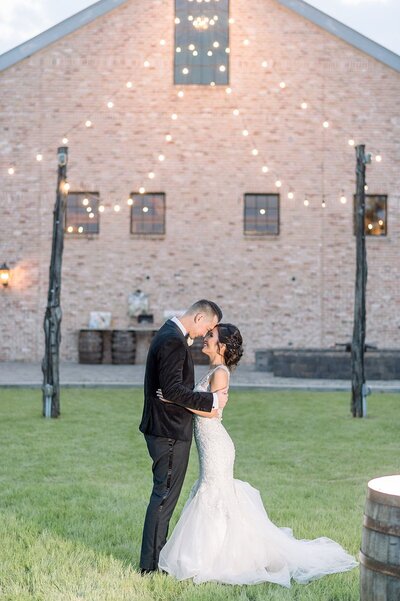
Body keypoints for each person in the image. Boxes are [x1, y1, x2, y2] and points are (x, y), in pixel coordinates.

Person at [158, 323, 358, 586]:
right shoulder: (213, 370)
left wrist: (177, 400)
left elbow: (213, 411)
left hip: (217, 445)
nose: (205, 338)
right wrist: (177, 399)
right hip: (209, 443)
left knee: (214, 493)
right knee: (213, 492)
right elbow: (200, 402)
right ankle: (213, 553)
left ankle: (218, 559)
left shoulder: (220, 373)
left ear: (222, 346)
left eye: (211, 336)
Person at [139, 299, 227, 573]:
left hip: (167, 429)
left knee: (164, 496)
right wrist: (211, 401)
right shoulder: (173, 341)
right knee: (164, 497)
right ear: (200, 318)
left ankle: (155, 561)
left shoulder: (170, 334)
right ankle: (150, 567)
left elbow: (171, 391)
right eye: (209, 327)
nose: (205, 334)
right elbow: (173, 390)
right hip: (168, 431)